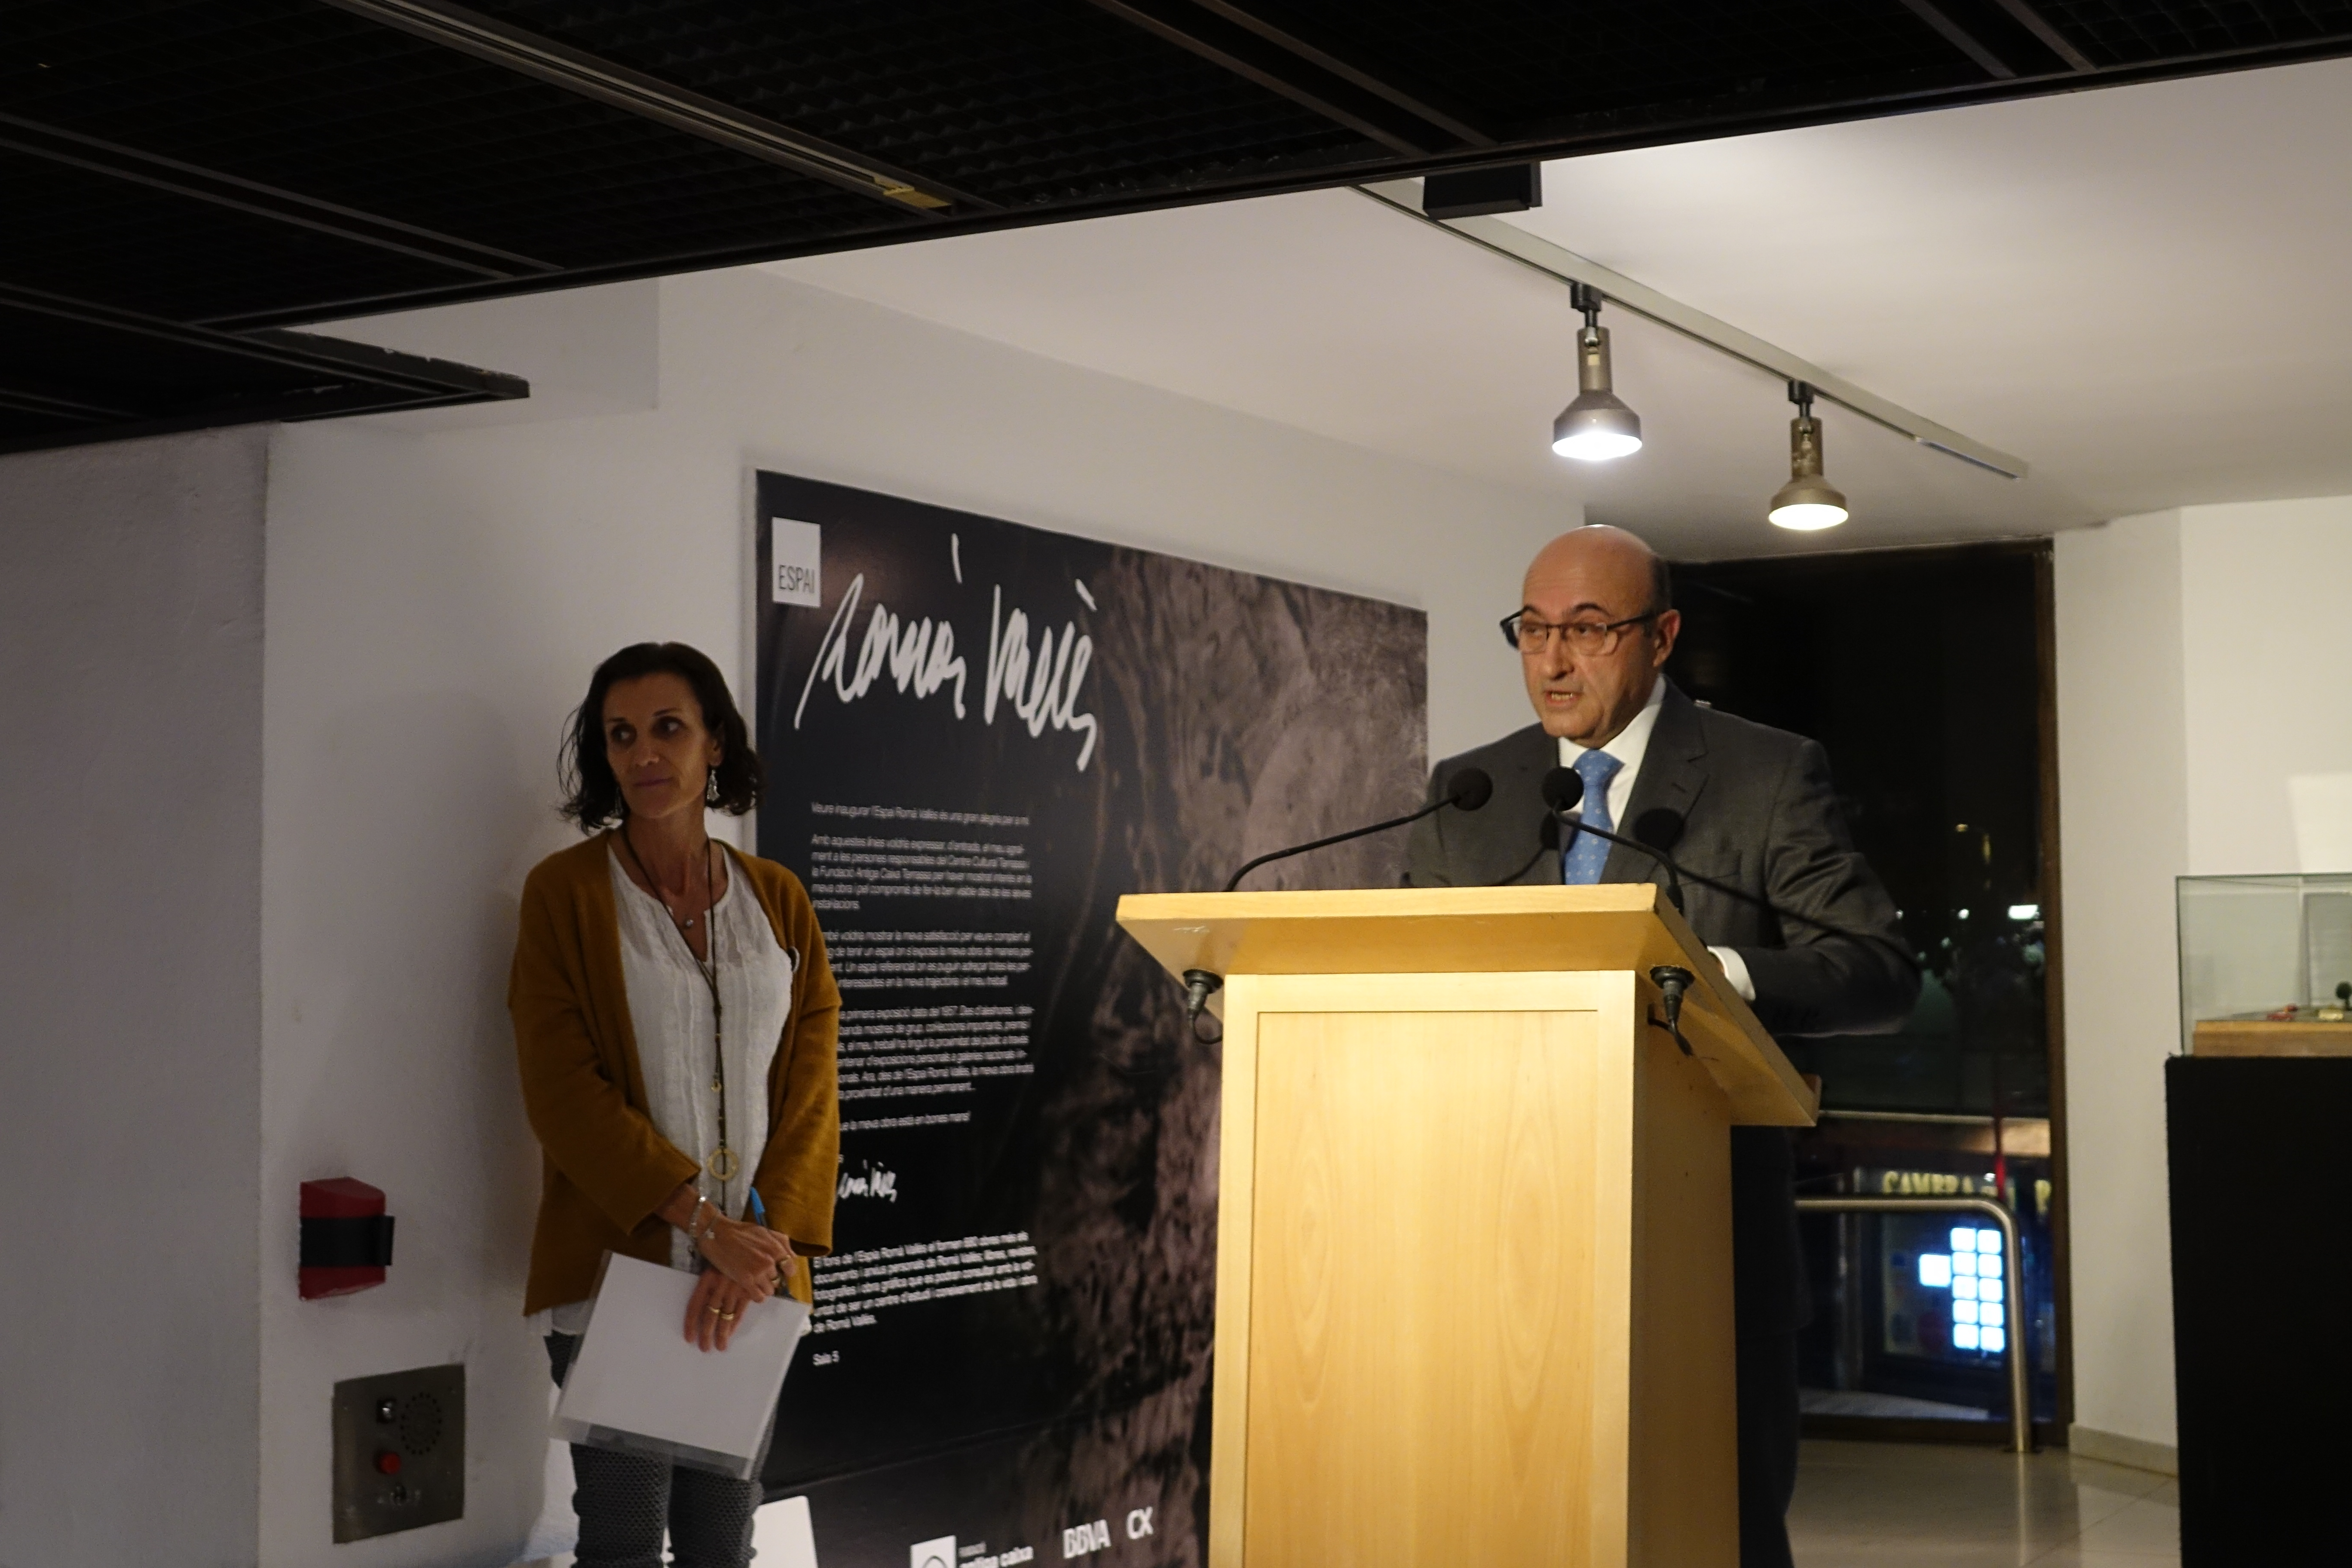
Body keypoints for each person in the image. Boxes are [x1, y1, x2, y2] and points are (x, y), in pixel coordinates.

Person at [1404, 525, 1916, 1568]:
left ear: (1662, 636)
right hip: (1495, 1245)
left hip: (1706, 1247)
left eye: (1588, 630)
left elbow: (1877, 970)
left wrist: (1717, 974)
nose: (1553, 661)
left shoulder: (1765, 773)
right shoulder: (1472, 791)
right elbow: (1416, 984)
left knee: (1720, 1533)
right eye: (1533, 630)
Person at [510, 641, 840, 1568]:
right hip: (619, 1277)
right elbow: (562, 1092)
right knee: (621, 1541)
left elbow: (811, 1082)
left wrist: (758, 1244)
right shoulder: (566, 896)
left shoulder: (777, 898)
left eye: (668, 728)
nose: (644, 753)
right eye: (620, 736)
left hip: (752, 1280)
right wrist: (703, 1223)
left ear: (715, 744)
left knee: (721, 1542)